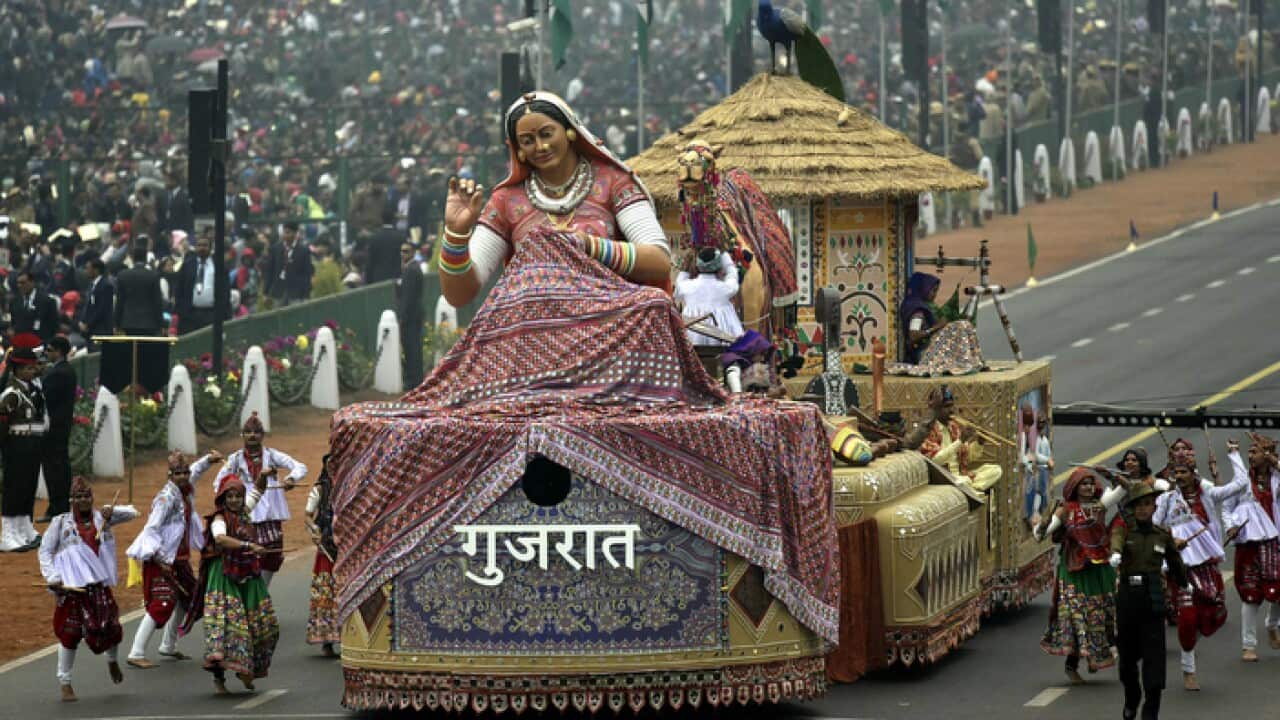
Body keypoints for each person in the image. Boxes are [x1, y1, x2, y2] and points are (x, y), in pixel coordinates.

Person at [437, 91, 672, 310]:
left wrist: (588, 245)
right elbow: (459, 296)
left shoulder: (614, 182)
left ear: (570, 131)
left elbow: (660, 261)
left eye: (547, 134)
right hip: (534, 331)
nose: (540, 146)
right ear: (518, 149)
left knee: (654, 303)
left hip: (608, 318)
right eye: (528, 140)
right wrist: (456, 234)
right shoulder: (506, 201)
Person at [38, 476, 139, 702]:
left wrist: (110, 511)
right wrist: (53, 577)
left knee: (111, 628)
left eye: (86, 496)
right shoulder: (60, 523)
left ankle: (112, 661)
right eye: (78, 497)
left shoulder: (101, 518)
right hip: (72, 587)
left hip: (98, 586)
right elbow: (44, 551)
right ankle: (65, 682)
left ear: (91, 498)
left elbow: (133, 513)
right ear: (71, 500)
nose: (83, 501)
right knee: (69, 634)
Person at [1154, 449, 1248, 690]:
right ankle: (1189, 669)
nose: (1179, 476)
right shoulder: (1166, 499)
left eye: (1183, 471)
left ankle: (1191, 644)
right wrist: (1169, 544)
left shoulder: (1207, 494)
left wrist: (1233, 455)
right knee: (1186, 618)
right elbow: (1154, 527)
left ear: (1193, 474)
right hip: (1180, 566)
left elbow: (1240, 483)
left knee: (1212, 612)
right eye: (1176, 472)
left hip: (1206, 564)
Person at [124, 450, 219, 668]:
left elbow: (195, 472)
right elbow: (152, 528)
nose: (184, 476)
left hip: (180, 558)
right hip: (161, 559)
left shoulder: (184, 491)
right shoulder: (165, 499)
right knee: (161, 604)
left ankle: (168, 645)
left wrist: (208, 460)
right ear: (170, 475)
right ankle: (136, 652)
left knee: (191, 600)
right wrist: (157, 557)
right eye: (178, 473)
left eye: (185, 472)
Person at [1035, 468, 1125, 684]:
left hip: (1100, 567)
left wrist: (1112, 475)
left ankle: (1095, 656)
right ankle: (1072, 665)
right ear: (1074, 487)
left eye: (1090, 483)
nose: (1087, 487)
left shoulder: (1100, 505)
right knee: (1076, 616)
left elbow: (1125, 489)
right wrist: (1045, 520)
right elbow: (1040, 535)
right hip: (1074, 569)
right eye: (1083, 484)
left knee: (1102, 615)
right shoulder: (1066, 509)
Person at [1109, 483, 1189, 720]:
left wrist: (1186, 584)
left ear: (1154, 507)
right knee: (1127, 662)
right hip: (1128, 601)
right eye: (1138, 506)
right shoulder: (1124, 531)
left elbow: (1176, 566)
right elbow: (1116, 540)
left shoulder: (1162, 536)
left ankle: (1151, 710)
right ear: (1132, 509)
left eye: (1147, 504)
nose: (1143, 509)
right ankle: (1132, 697)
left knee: (1154, 660)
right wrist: (1115, 554)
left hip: (1153, 600)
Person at [199, 413, 307, 586]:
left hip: (270, 515)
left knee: (272, 556)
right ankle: (251, 593)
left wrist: (291, 479)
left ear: (262, 435)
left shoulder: (272, 455)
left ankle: (261, 591)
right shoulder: (234, 459)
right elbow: (218, 483)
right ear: (242, 435)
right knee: (248, 555)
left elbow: (300, 466)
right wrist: (234, 489)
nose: (252, 435)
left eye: (256, 432)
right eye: (248, 432)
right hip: (247, 511)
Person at [196, 471, 279, 694]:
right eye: (229, 496)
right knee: (227, 628)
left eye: (237, 496)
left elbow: (258, 490)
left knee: (264, 624)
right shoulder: (219, 519)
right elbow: (220, 539)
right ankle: (219, 679)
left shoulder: (244, 513)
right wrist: (248, 546)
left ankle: (247, 669)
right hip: (223, 575)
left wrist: (264, 474)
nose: (234, 500)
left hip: (247, 573)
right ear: (223, 498)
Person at [1220, 432, 1280, 662]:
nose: (1250, 456)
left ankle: (1272, 624)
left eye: (1255, 452)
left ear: (1268, 455)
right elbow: (1226, 508)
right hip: (1249, 546)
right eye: (1249, 452)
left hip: (1274, 544)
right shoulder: (1242, 481)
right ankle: (1248, 645)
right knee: (1250, 595)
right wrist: (1230, 527)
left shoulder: (1276, 479)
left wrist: (1275, 462)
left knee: (1278, 590)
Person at [0, 334, 49, 552]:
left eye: (33, 368)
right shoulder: (12, 394)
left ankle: (23, 528)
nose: (32, 372)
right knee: (14, 489)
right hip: (16, 445)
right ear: (17, 370)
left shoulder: (33, 391)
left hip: (32, 444)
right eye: (28, 369)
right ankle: (8, 533)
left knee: (27, 488)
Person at [893, 271, 984, 375]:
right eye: (933, 291)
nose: (935, 295)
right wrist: (936, 328)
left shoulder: (925, 306)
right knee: (961, 326)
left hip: (930, 350)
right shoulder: (917, 310)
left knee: (963, 326)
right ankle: (970, 362)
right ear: (924, 289)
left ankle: (973, 361)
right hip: (923, 355)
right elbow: (913, 335)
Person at [917, 386, 1002, 492]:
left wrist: (979, 442)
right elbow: (934, 461)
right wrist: (960, 441)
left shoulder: (953, 427)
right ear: (936, 409)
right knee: (964, 481)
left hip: (960, 476)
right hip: (944, 478)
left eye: (952, 406)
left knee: (995, 470)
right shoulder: (927, 430)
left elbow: (967, 457)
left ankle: (970, 488)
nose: (951, 410)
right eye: (946, 407)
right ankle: (970, 489)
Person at [304, 454, 339, 657]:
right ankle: (327, 640)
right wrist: (314, 532)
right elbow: (308, 516)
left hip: (345, 546)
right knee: (327, 592)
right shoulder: (319, 490)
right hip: (326, 547)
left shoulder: (348, 487)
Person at [39, 336, 77, 523]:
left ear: (59, 351)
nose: (47, 353)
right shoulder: (65, 370)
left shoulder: (58, 373)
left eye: (50, 350)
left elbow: (44, 396)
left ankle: (57, 507)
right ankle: (60, 506)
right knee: (59, 465)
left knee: (54, 468)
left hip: (54, 428)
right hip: (60, 426)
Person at [674, 247, 742, 346]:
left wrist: (686, 268)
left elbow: (679, 282)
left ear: (697, 267)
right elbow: (732, 275)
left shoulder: (686, 286)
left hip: (692, 339)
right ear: (719, 267)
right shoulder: (725, 288)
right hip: (722, 340)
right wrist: (726, 257)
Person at [113, 241, 164, 336]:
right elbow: (157, 302)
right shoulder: (153, 275)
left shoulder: (123, 275)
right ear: (145, 258)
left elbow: (120, 301)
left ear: (132, 258)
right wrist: (161, 325)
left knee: (132, 350)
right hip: (149, 322)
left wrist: (116, 324)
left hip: (128, 322)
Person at [174, 233, 217, 334]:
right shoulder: (188, 265)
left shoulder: (218, 265)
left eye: (205, 245)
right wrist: (181, 311)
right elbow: (179, 289)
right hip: (190, 315)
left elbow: (224, 291)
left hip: (211, 315)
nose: (202, 248)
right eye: (199, 245)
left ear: (210, 248)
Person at [398, 242, 425, 388]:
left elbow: (408, 297)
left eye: (406, 251)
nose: (403, 254)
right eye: (401, 251)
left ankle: (413, 380)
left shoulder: (411, 270)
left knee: (411, 348)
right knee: (413, 347)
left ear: (413, 252)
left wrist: (402, 316)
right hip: (415, 315)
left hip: (411, 317)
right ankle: (415, 378)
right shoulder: (412, 268)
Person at [10, 270, 59, 343]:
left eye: (23, 283)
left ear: (32, 282)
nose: (19, 286)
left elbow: (53, 326)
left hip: (40, 343)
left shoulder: (47, 301)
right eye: (18, 283)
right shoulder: (15, 302)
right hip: (19, 344)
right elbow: (13, 323)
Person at [77, 258, 114, 349]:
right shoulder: (91, 285)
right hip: (90, 331)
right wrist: (82, 321)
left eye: (88, 268)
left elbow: (101, 309)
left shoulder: (106, 286)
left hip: (100, 330)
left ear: (96, 270)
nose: (86, 271)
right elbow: (87, 306)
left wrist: (88, 324)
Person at [365, 206, 405, 284]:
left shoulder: (374, 238)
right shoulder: (401, 238)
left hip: (378, 281)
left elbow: (370, 263)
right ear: (394, 219)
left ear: (381, 219)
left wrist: (368, 282)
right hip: (396, 280)